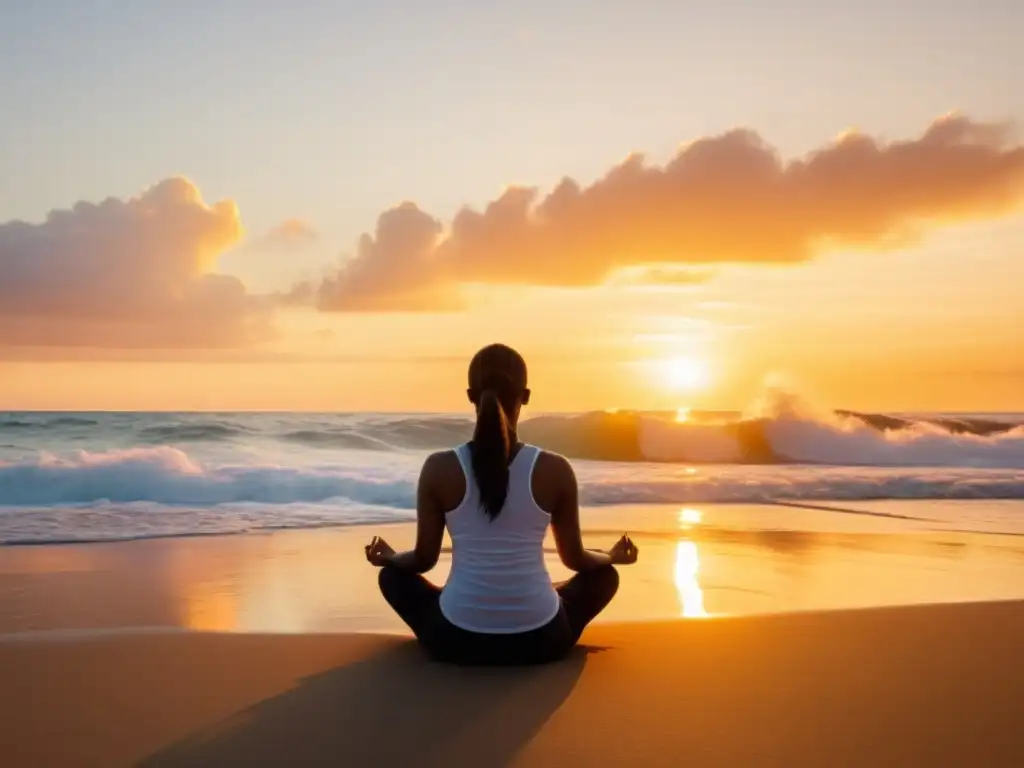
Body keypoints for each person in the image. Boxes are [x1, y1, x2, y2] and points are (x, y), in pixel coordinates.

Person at [365, 343, 638, 665]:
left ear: (470, 395)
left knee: (392, 576)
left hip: (454, 641)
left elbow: (423, 560)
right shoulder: (555, 469)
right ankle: (533, 597)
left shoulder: (439, 468)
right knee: (604, 575)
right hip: (543, 641)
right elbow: (576, 560)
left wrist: (393, 557)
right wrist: (611, 555)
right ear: (525, 396)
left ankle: (466, 602)